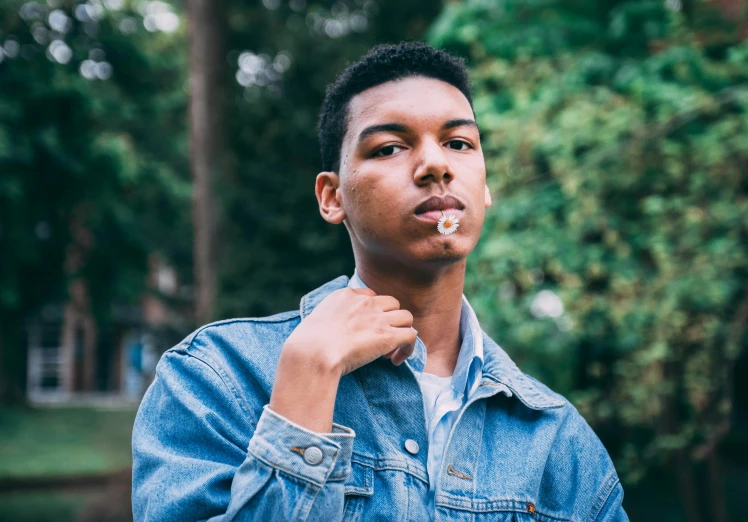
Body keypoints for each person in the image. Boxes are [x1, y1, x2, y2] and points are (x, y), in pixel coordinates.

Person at [132, 41, 629, 522]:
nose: (436, 165)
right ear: (332, 197)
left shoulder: (557, 439)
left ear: (486, 185)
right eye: (390, 147)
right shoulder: (216, 379)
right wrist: (306, 385)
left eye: (459, 143)